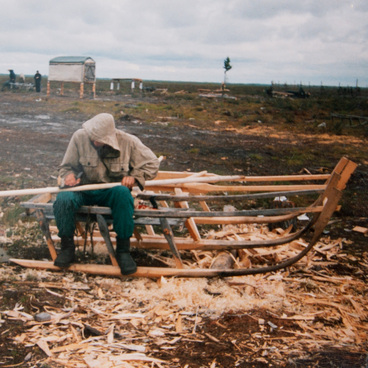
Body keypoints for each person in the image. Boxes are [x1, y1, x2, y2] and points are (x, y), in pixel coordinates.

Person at [53, 113, 160, 275]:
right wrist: (69, 175)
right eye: (93, 138)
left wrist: (135, 177)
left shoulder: (128, 141)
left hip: (112, 191)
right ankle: (67, 248)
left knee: (124, 194)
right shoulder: (79, 137)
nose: (95, 141)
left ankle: (123, 251)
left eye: (99, 139)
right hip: (84, 189)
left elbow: (152, 164)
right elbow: (66, 166)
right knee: (63, 198)